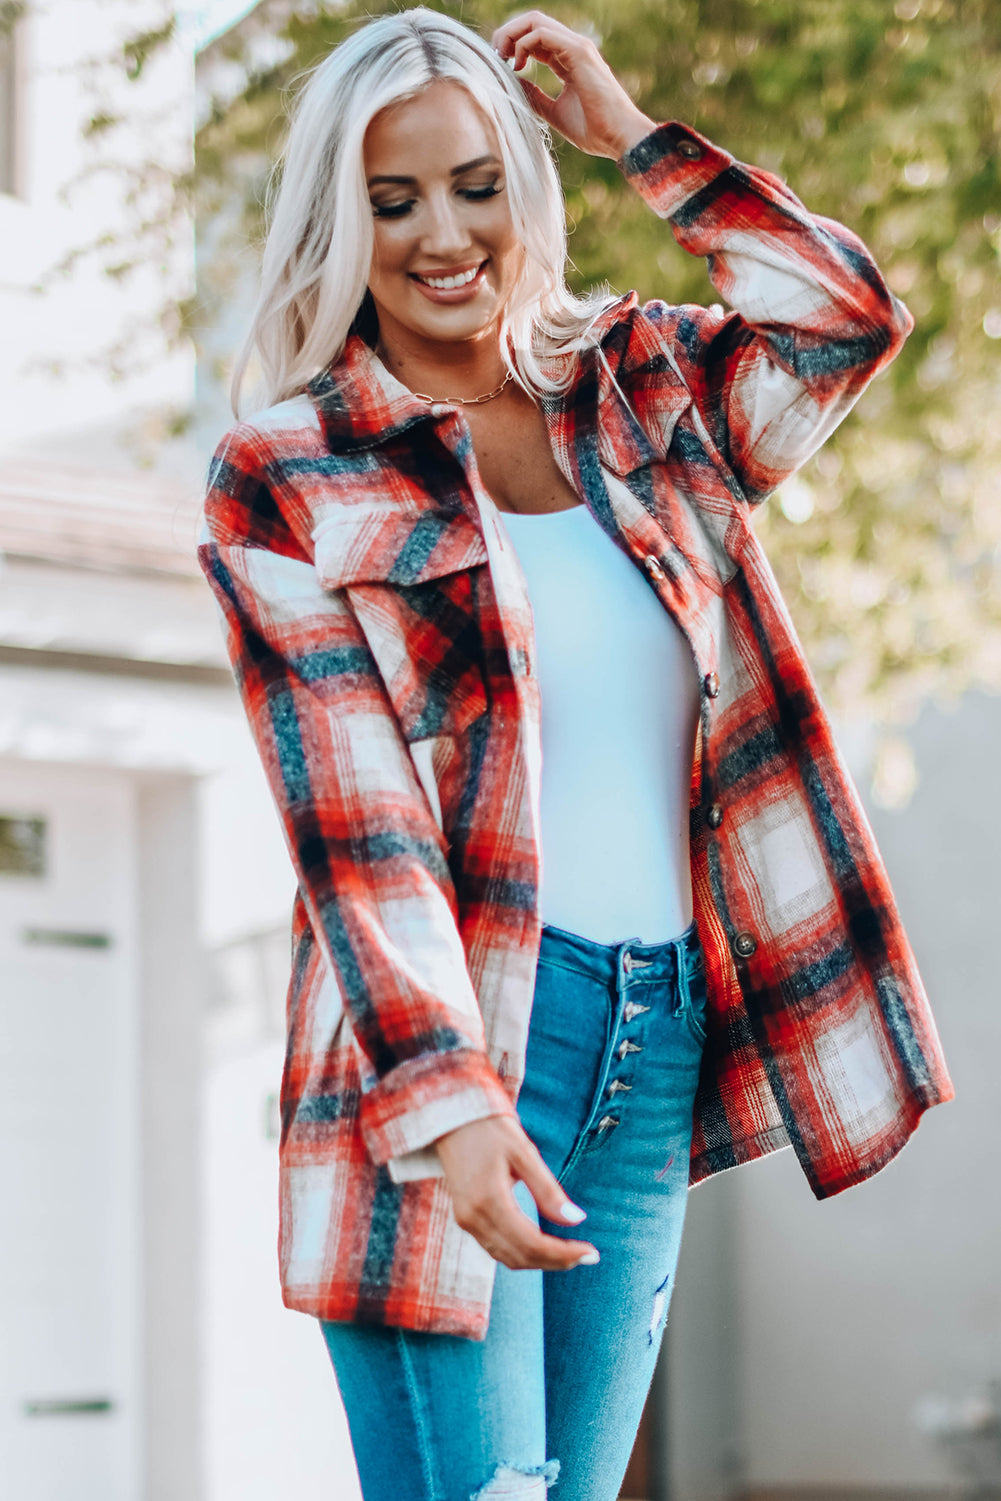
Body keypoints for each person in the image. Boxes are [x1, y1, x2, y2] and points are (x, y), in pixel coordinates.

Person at [198, 8, 954, 1500]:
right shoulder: (289, 475)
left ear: (525, 185)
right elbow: (361, 830)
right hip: (451, 1051)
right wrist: (454, 1103)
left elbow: (840, 320)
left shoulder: (645, 389)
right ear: (338, 221)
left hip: (647, 1035)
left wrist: (636, 142)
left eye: (475, 182)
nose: (440, 235)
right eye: (391, 199)